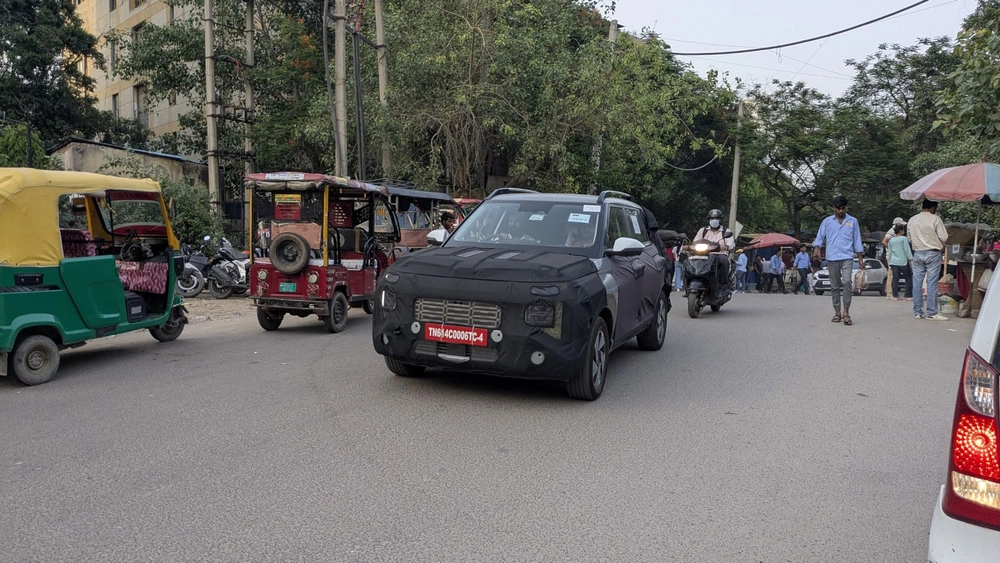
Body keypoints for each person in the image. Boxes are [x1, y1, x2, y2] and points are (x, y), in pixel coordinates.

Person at [813, 195, 865, 326]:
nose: (841, 211)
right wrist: (817, 248)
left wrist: (860, 259)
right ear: (834, 208)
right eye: (839, 209)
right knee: (835, 286)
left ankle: (846, 312)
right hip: (832, 257)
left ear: (846, 208)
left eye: (843, 208)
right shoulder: (827, 222)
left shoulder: (853, 221)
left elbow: (857, 240)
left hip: (847, 256)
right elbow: (820, 236)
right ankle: (837, 312)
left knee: (847, 282)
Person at [908, 198, 949, 320]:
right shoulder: (935, 219)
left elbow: (909, 238)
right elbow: (944, 237)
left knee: (917, 282)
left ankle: (917, 312)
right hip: (933, 253)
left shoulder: (912, 219)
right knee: (931, 283)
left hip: (918, 253)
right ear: (932, 208)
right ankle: (931, 313)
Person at [694, 209, 735, 286]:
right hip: (704, 255)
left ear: (720, 220)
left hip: (719, 255)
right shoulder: (703, 231)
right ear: (708, 220)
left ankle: (723, 284)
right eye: (712, 218)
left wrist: (725, 247)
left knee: (724, 260)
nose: (714, 220)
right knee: (690, 261)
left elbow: (731, 245)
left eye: (716, 218)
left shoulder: (726, 231)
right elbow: (695, 241)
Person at [887, 224, 913, 300]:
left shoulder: (891, 240)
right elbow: (907, 249)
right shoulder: (903, 239)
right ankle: (908, 295)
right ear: (901, 231)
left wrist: (889, 262)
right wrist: (911, 259)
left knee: (895, 278)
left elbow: (890, 252)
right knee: (908, 277)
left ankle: (895, 295)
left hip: (894, 262)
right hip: (903, 261)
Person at [882, 217, 907, 300]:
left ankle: (892, 292)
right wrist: (893, 249)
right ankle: (890, 293)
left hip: (893, 256)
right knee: (891, 274)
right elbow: (884, 241)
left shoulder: (894, 232)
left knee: (894, 274)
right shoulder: (892, 231)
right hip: (891, 256)